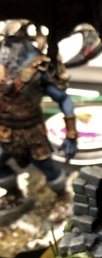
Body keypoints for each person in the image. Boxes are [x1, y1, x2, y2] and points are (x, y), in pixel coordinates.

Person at [0, 21, 77, 223]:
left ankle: (63, 198)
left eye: (12, 42)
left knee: (47, 167)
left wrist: (71, 134)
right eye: (6, 42)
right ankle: (14, 194)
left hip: (31, 131)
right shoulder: (2, 64)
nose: (7, 47)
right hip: (5, 129)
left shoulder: (39, 67)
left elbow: (63, 98)